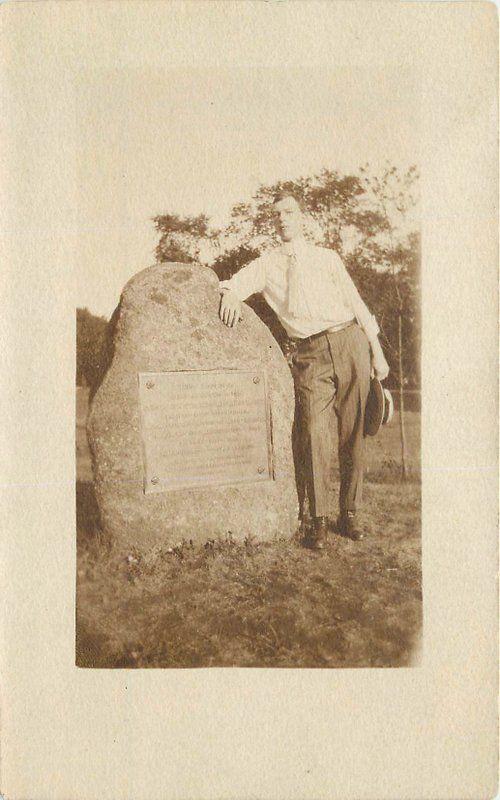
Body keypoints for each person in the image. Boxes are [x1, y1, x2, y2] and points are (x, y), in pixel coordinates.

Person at [218, 193, 389, 550]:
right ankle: (319, 519)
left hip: (350, 340)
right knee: (314, 432)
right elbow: (237, 282)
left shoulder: (326, 258)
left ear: (302, 217)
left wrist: (377, 353)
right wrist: (231, 294)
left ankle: (350, 513)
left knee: (353, 433)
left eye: (290, 212)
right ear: (273, 222)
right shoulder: (267, 264)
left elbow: (358, 305)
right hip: (310, 352)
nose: (283, 218)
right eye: (277, 213)